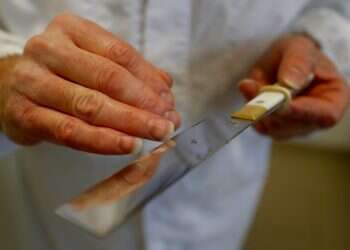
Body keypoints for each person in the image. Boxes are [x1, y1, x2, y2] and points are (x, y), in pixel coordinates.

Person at [0, 0, 349, 249]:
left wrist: (317, 41)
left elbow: (333, 9)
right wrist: (5, 75)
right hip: (39, 204)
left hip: (221, 196)